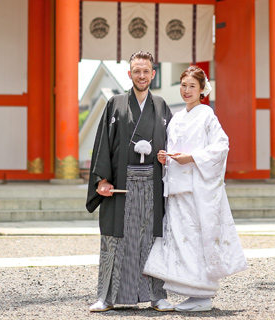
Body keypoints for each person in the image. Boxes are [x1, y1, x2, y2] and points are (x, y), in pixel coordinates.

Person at [143, 66, 248, 312]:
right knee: (180, 240)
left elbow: (221, 147)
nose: (187, 90)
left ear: (202, 90)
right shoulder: (177, 117)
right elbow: (174, 150)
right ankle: (192, 293)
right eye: (183, 85)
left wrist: (191, 157)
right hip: (177, 188)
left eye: (192, 86)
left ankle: (203, 294)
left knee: (197, 239)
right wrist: (165, 158)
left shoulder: (207, 115)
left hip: (196, 188)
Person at [86, 51, 174, 312]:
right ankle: (107, 296)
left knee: (152, 238)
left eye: (146, 71)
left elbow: (173, 143)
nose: (142, 76)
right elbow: (103, 143)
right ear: (130, 74)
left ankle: (157, 295)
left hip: (152, 183)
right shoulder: (115, 103)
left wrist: (166, 157)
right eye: (137, 71)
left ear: (153, 74)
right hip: (122, 184)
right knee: (116, 239)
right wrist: (103, 179)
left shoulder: (161, 106)